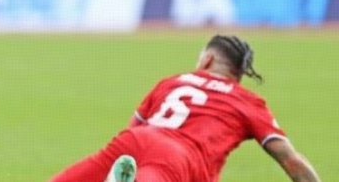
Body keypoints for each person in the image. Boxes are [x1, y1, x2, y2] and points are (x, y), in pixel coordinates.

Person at [48, 34, 321, 182]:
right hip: (178, 158)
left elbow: (133, 128)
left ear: (207, 59)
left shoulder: (172, 81)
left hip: (134, 140)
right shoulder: (247, 101)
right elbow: (291, 161)